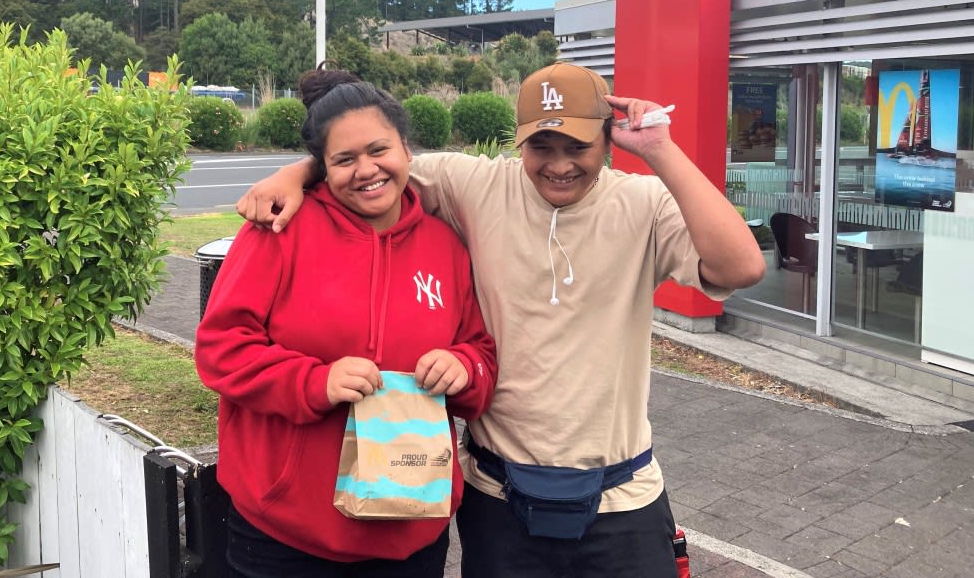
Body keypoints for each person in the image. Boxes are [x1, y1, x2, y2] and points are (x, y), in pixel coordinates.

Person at [236, 62, 766, 577]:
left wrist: (659, 149)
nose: (559, 164)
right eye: (541, 146)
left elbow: (741, 266)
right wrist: (297, 170)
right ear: (519, 141)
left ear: (609, 140)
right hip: (498, 495)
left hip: (621, 497)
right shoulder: (475, 184)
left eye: (577, 146)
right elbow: (371, 165)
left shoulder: (643, 203)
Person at [194, 65, 498, 577]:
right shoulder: (279, 230)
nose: (366, 170)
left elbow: (481, 353)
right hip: (284, 535)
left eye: (379, 151)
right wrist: (314, 380)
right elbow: (220, 350)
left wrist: (463, 366)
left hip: (410, 531)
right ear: (322, 167)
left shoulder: (445, 245)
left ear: (405, 148)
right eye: (344, 159)